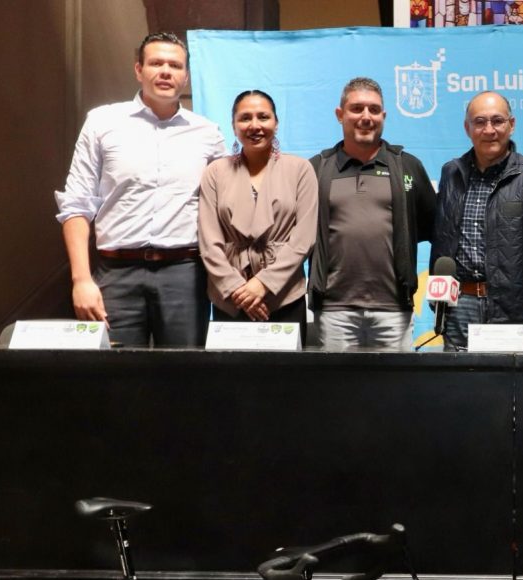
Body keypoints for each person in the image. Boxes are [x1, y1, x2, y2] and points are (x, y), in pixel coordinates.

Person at [55, 32, 225, 347]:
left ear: (186, 76)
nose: (165, 71)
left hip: (184, 273)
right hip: (116, 273)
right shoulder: (102, 122)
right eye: (156, 63)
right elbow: (76, 205)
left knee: (185, 373)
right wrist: (81, 280)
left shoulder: (208, 133)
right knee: (115, 373)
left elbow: (225, 206)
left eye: (175, 65)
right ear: (138, 70)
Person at [432, 91, 523, 350]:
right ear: (467, 128)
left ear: (512, 124)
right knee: (459, 376)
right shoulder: (451, 173)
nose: (489, 130)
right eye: (480, 122)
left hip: (518, 309)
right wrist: (439, 303)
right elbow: (442, 237)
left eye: (497, 121)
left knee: (513, 378)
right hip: (459, 306)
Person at [309, 77, 435, 351]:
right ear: (340, 114)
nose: (366, 117)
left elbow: (430, 227)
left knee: (394, 381)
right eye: (356, 109)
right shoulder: (317, 168)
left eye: (374, 110)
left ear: (383, 116)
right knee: (336, 381)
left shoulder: (408, 166)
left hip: (394, 310)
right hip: (333, 310)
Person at [198, 90, 317, 335]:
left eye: (263, 117)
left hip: (284, 294)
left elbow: (303, 239)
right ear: (233, 126)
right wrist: (237, 289)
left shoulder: (300, 169)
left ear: (276, 123)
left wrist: (263, 284)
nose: (255, 125)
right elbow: (209, 242)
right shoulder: (215, 172)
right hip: (231, 297)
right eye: (245, 118)